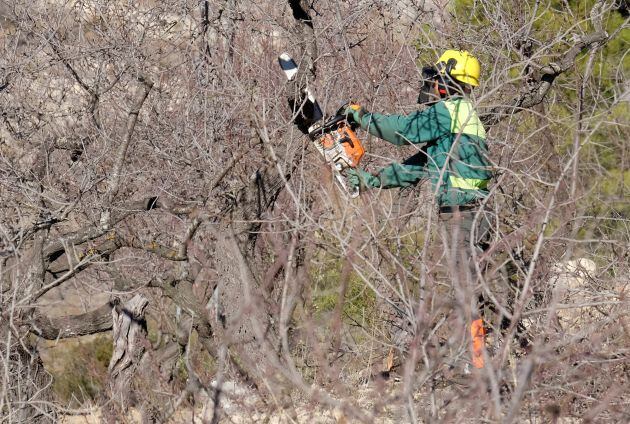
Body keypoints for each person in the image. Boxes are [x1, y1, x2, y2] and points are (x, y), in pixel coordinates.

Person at [344, 50, 493, 369]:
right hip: (465, 212)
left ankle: (479, 366)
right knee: (466, 288)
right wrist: (372, 180)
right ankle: (473, 359)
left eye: (437, 78)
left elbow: (402, 132)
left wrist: (361, 117)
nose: (431, 84)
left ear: (449, 84)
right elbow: (418, 166)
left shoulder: (450, 111)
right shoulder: (455, 120)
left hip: (463, 212)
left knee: (467, 290)